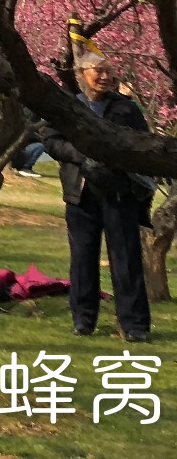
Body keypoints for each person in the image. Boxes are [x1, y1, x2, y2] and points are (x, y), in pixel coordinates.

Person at [38, 51, 154, 342]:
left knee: (126, 258)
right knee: (82, 258)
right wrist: (81, 155)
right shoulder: (68, 106)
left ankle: (134, 324)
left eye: (108, 71)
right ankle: (83, 319)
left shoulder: (126, 109)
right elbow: (50, 140)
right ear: (80, 73)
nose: (104, 77)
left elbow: (144, 142)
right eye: (97, 71)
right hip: (81, 193)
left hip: (119, 191)